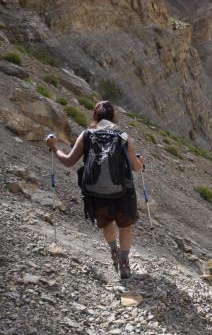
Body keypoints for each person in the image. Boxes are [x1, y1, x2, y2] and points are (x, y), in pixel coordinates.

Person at [46, 101, 144, 279]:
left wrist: (54, 147)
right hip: (122, 191)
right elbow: (136, 167)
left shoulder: (86, 135)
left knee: (106, 222)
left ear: (95, 117)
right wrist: (140, 161)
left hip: (95, 191)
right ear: (114, 116)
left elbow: (68, 161)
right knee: (125, 226)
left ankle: (113, 251)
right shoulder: (122, 136)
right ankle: (124, 263)